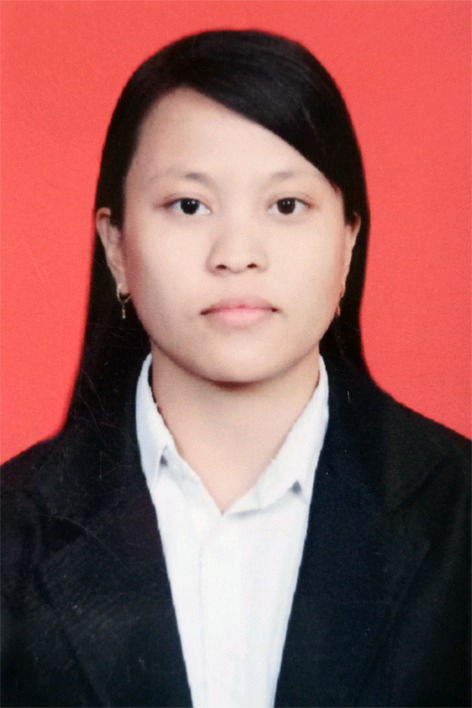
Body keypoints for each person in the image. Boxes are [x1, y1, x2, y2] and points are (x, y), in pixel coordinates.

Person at [1, 29, 469, 708]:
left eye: (286, 206)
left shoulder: (458, 513)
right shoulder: (11, 530)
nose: (237, 253)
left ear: (348, 242)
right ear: (116, 247)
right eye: (189, 206)